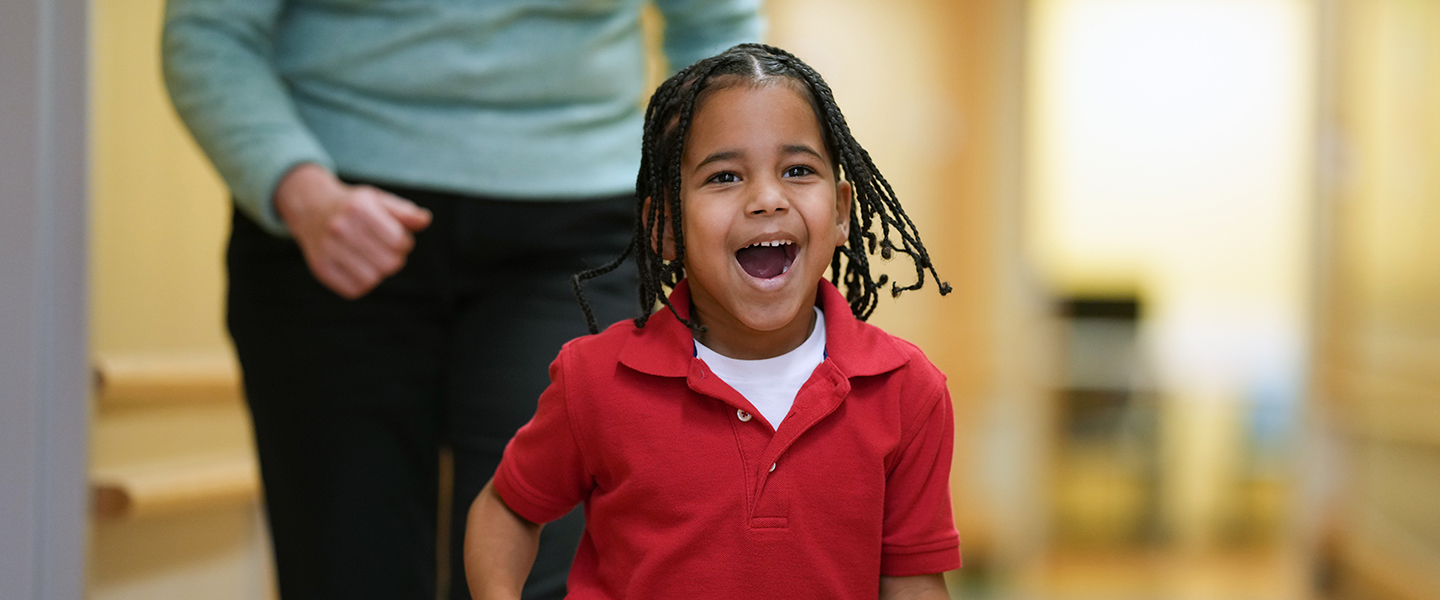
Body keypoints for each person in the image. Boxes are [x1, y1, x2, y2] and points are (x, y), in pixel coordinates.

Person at [160, 2, 762, 599]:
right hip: (330, 228)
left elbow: (717, 37)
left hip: (576, 236)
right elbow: (209, 34)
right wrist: (300, 190)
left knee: (538, 574)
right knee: (347, 571)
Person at [464, 43, 961, 600]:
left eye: (797, 170)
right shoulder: (592, 381)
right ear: (666, 228)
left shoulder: (906, 390)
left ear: (841, 212)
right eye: (725, 177)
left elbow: (914, 583)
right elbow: (505, 510)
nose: (767, 198)